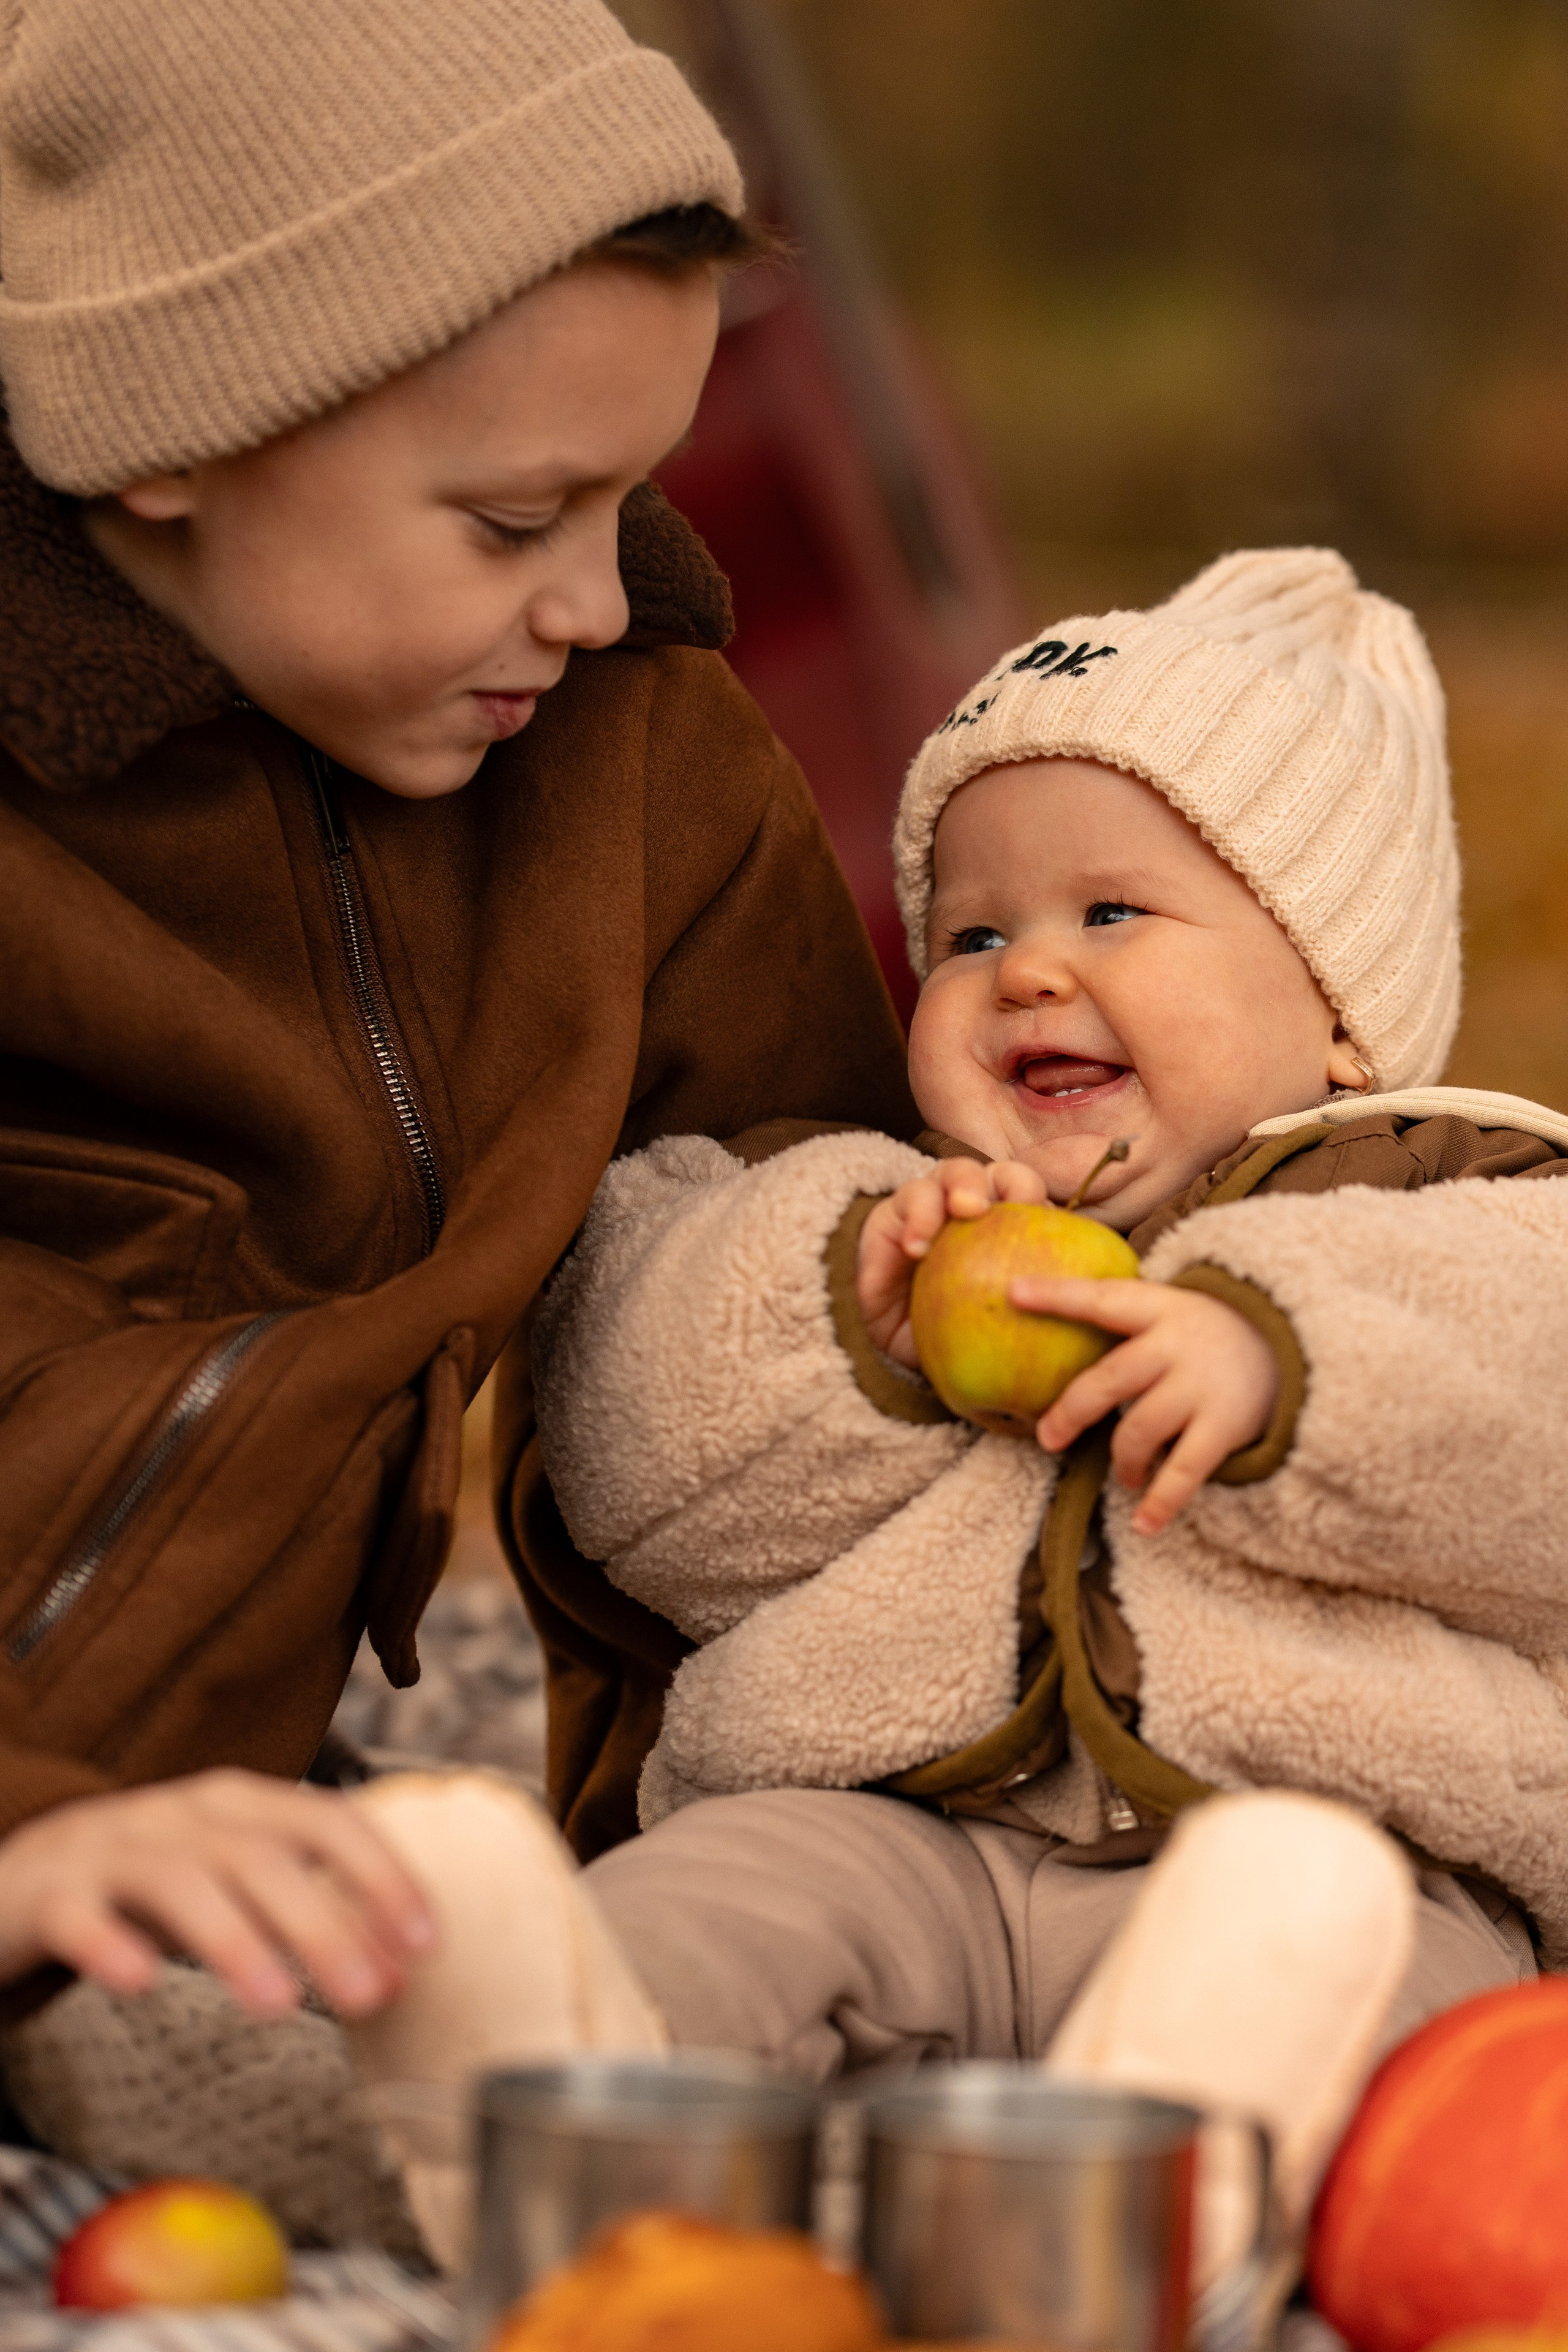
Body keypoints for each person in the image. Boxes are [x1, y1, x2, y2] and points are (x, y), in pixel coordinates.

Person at [0, 0, 913, 2027]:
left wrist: (707, 1875)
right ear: (171, 438)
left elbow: (772, 1387)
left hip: (212, 1829)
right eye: (515, 522)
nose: (594, 598)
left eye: (632, 499)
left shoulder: (642, 770)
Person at [527, 546, 1568, 2095]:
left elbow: (1522, 1405)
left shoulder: (1465, 1203)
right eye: (968, 934)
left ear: (1340, 1015)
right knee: (707, 1908)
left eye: (1110, 910)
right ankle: (520, 2069)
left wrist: (1281, 1358)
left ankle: (1192, 2169)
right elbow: (632, 1457)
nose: (1027, 974)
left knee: (1353, 1985)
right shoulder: (872, 1211)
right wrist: (852, 1332)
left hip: (1313, 1845)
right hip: (890, 1832)